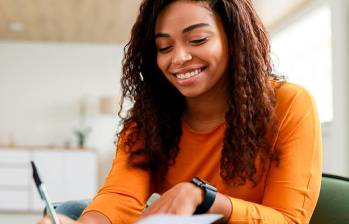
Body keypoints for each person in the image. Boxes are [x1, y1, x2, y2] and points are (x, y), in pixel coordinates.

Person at [38, 0, 322, 223]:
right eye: (164, 46)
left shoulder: (290, 104)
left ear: (234, 39)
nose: (178, 58)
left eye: (197, 40)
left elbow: (288, 219)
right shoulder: (150, 115)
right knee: (69, 210)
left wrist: (203, 197)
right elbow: (122, 194)